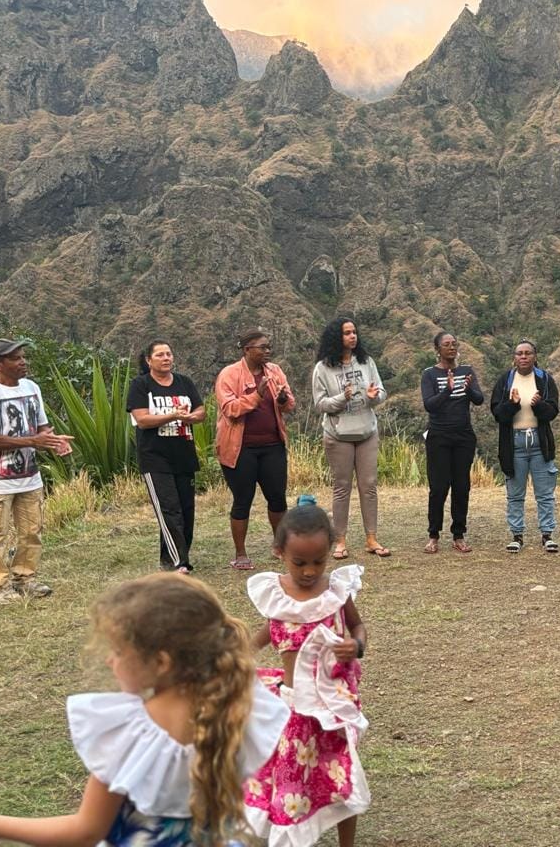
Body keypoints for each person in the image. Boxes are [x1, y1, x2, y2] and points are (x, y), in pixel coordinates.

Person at [0, 572, 290, 846]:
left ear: (161, 662)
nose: (110, 660)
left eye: (119, 652)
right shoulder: (235, 704)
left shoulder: (132, 733)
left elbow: (85, 831)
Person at [245, 504, 370, 847]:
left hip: (333, 705)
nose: (310, 571)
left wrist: (356, 645)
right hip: (292, 708)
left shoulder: (336, 592)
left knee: (342, 774)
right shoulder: (277, 597)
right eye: (299, 562)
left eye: (319, 561)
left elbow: (358, 626)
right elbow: (263, 636)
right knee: (292, 782)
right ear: (279, 552)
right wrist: (236, 655)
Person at [0, 339, 73, 606]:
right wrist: (32, 441)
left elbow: (41, 426)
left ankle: (25, 579)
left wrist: (53, 441)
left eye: (23, 357)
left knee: (31, 531)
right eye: (15, 358)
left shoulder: (31, 387)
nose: (23, 362)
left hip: (28, 476)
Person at [215, 331, 296, 570]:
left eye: (269, 347)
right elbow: (230, 409)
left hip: (272, 446)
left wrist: (282, 399)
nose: (267, 351)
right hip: (240, 449)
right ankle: (240, 553)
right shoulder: (229, 374)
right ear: (247, 349)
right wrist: (257, 395)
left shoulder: (275, 371)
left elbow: (289, 405)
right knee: (242, 500)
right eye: (262, 347)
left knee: (277, 498)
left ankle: (280, 546)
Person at [311, 316, 389, 560]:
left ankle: (371, 538)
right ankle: (340, 540)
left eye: (354, 332)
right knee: (342, 487)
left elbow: (381, 392)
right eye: (347, 333)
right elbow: (320, 404)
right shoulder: (323, 368)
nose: (352, 336)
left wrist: (374, 396)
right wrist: (342, 398)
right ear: (336, 337)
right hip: (338, 435)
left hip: (367, 431)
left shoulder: (366, 362)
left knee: (369, 486)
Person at [128, 340, 206, 573]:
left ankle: (170, 557)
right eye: (160, 355)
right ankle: (179, 562)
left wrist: (191, 417)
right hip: (155, 458)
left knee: (186, 510)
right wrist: (173, 415)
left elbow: (201, 411)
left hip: (184, 455)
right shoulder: (141, 385)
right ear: (149, 360)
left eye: (169, 354)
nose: (166, 358)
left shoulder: (184, 382)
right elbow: (142, 419)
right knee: (169, 509)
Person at [490, 340, 560, 553]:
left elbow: (552, 412)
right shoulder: (505, 381)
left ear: (535, 356)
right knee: (515, 493)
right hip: (514, 443)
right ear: (514, 357)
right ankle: (516, 535)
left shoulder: (545, 379)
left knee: (545, 493)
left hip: (540, 443)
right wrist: (512, 404)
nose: (523, 357)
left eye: (527, 353)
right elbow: (497, 414)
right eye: (519, 353)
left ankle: (547, 535)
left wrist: (538, 405)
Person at [419, 331, 484, 553]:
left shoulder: (467, 371)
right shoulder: (429, 374)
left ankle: (458, 534)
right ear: (437, 349)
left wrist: (468, 389)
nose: (452, 347)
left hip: (463, 436)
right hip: (438, 436)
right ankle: (433, 535)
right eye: (446, 344)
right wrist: (447, 389)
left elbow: (479, 399)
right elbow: (430, 405)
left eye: (454, 344)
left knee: (461, 486)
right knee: (438, 487)